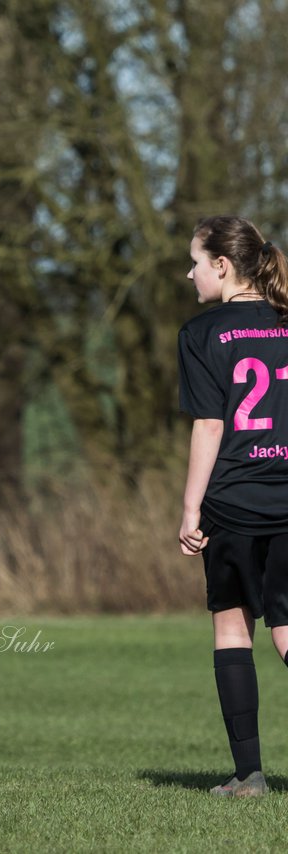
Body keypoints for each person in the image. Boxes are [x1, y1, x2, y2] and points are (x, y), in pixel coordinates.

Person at [177, 214, 288, 798]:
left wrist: (191, 508)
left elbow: (209, 427)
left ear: (222, 265)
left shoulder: (200, 333)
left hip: (234, 501)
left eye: (195, 262)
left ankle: (249, 777)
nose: (189, 273)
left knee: (232, 631)